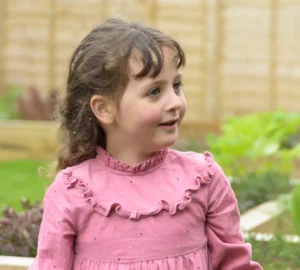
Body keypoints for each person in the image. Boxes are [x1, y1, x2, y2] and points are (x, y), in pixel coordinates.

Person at [28, 18, 262, 270]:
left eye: (176, 85)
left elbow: (234, 265)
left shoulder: (203, 180)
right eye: (154, 91)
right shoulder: (71, 193)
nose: (175, 102)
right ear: (104, 108)